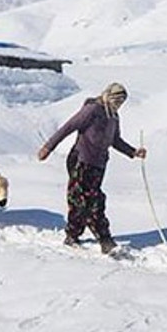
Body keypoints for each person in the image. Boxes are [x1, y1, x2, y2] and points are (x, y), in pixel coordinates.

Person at [38, 82, 147, 253]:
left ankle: (73, 235)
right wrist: (48, 147)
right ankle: (103, 239)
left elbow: (115, 140)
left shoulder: (114, 117)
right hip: (81, 160)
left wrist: (133, 152)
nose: (118, 105)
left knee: (86, 200)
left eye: (121, 102)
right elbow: (69, 127)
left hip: (99, 164)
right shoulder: (92, 110)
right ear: (108, 96)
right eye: (117, 100)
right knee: (89, 200)